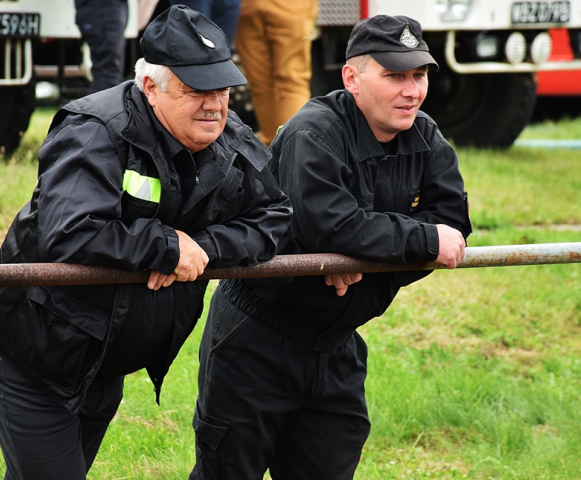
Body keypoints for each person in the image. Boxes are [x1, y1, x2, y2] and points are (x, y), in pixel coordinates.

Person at [0, 5, 292, 479]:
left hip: (103, 359)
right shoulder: (96, 130)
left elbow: (276, 215)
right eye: (197, 90)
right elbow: (70, 230)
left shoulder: (227, 137)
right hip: (31, 354)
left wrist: (204, 247)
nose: (215, 104)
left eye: (223, 88)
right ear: (150, 86)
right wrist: (166, 247)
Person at [190, 14, 472, 480]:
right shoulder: (314, 132)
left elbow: (453, 229)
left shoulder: (426, 136)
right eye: (395, 75)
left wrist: (369, 258)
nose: (412, 90)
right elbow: (333, 227)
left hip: (338, 346)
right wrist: (407, 240)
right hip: (257, 339)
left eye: (419, 75)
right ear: (352, 78)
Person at [234, 0, 318, 145]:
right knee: (292, 83)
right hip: (290, 5)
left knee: (260, 86)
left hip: (248, 5)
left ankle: (271, 151)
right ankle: (295, 149)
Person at [75, 0, 129, 94]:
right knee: (108, 74)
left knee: (110, 73)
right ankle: (99, 107)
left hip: (106, 7)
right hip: (103, 7)